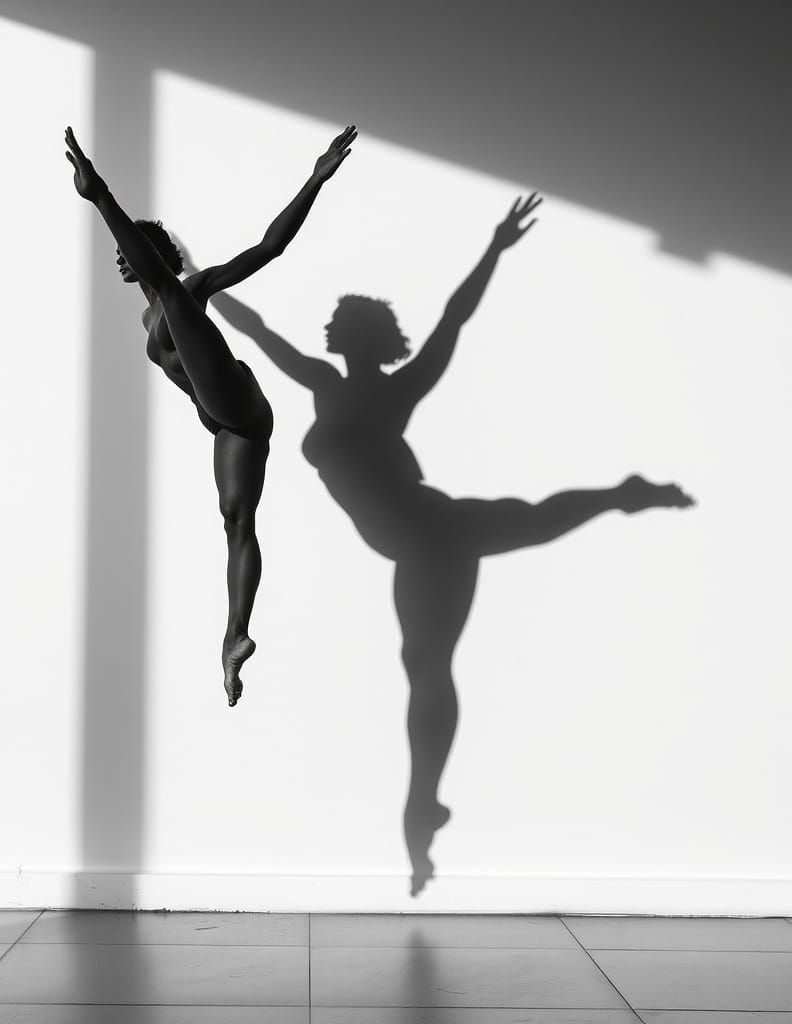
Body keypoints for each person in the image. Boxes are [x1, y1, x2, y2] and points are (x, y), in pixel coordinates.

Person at [212, 194, 694, 893]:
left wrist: (496, 248)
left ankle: (422, 803)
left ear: (373, 341)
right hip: (423, 539)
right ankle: (622, 493)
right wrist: (192, 280)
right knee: (466, 608)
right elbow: (254, 328)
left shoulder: (391, 390)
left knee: (447, 639)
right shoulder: (322, 382)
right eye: (344, 326)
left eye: (356, 328)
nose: (343, 335)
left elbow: (453, 319)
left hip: (428, 535)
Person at [64, 123, 356, 706]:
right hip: (227, 423)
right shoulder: (150, 316)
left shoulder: (185, 290)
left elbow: (268, 248)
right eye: (121, 256)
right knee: (235, 522)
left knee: (169, 293)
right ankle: (234, 637)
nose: (121, 262)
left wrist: (315, 179)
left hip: (236, 397)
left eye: (129, 253)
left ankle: (102, 196)